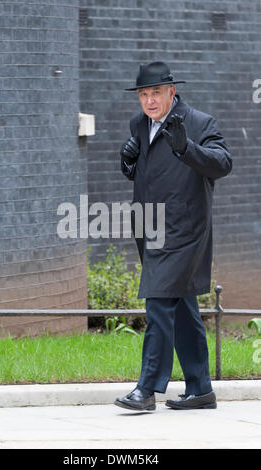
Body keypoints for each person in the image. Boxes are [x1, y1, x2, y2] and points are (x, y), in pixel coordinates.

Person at [115, 61, 232, 411]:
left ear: (172, 92)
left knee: (158, 301)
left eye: (156, 93)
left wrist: (187, 149)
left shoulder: (199, 123)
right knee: (181, 307)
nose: (149, 101)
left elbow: (222, 164)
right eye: (143, 95)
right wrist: (128, 165)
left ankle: (147, 389)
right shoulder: (139, 124)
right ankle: (200, 389)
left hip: (185, 231)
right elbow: (148, 177)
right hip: (150, 229)